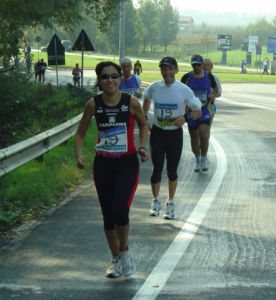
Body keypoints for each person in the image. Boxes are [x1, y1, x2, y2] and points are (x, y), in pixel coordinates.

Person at [74, 61, 149, 278]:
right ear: (98, 80)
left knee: (120, 210)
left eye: (114, 76)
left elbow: (144, 124)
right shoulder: (93, 104)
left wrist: (142, 147)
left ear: (120, 78)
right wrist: (79, 155)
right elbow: (80, 134)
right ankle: (115, 259)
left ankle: (124, 251)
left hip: (127, 163)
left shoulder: (131, 102)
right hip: (103, 164)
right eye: (105, 76)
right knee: (108, 216)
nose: (110, 80)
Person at [142, 56, 202, 219]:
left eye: (170, 69)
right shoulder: (154, 87)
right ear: (160, 70)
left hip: (174, 134)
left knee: (172, 171)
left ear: (176, 70)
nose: (167, 72)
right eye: (164, 69)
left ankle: (171, 202)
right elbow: (146, 98)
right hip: (158, 133)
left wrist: (185, 118)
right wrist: (145, 116)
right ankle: (155, 201)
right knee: (157, 169)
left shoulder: (183, 89)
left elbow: (198, 111)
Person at [181, 54, 217, 173]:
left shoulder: (209, 76)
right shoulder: (186, 77)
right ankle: (197, 159)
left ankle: (204, 157)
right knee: (194, 137)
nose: (196, 67)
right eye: (194, 65)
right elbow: (179, 90)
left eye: (198, 64)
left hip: (204, 110)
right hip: (190, 111)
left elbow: (215, 89)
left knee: (203, 133)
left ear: (202, 65)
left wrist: (213, 95)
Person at [202, 58, 221, 127]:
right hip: (200, 105)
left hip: (212, 105)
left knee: (208, 126)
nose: (206, 67)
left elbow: (219, 93)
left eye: (208, 65)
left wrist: (213, 95)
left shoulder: (215, 77)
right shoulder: (197, 77)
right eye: (204, 65)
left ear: (211, 67)